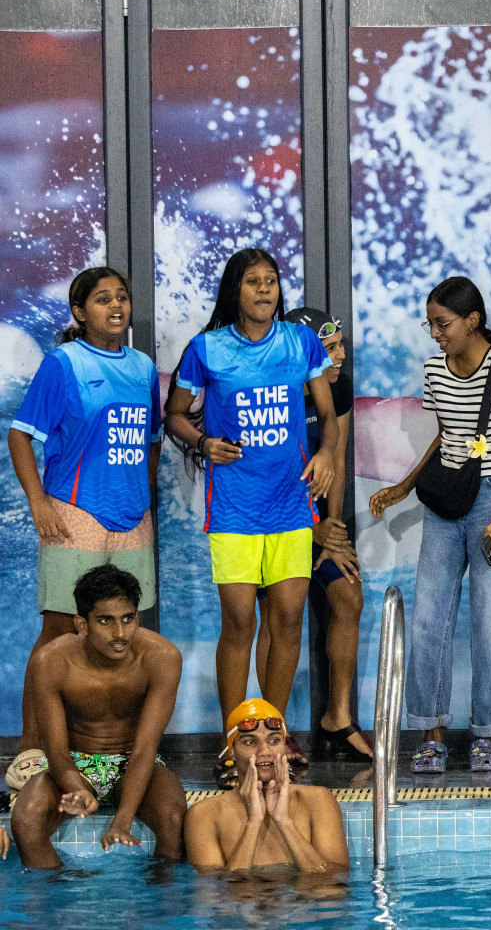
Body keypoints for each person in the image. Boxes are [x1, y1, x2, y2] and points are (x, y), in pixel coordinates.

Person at [163, 247, 339, 786]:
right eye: (253, 282)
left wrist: (327, 454)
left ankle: (274, 740)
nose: (265, 290)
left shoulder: (300, 342)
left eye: (272, 281)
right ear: (234, 291)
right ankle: (232, 743)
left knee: (287, 620)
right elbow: (174, 415)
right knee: (241, 623)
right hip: (235, 508)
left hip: (291, 503)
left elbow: (328, 415)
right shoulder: (207, 349)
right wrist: (204, 440)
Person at [369, 277, 491, 773]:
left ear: (473, 321)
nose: (435, 334)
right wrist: (402, 487)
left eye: (442, 324)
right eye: (431, 324)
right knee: (429, 618)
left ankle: (488, 733)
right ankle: (430, 731)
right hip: (448, 503)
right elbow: (447, 437)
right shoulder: (434, 370)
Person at [6, 268, 161, 791]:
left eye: (122, 297)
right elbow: (22, 435)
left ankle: (125, 752)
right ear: (79, 312)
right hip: (74, 511)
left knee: (130, 633)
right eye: (101, 299)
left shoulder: (142, 368)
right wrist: (38, 502)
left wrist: (145, 496)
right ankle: (32, 748)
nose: (115, 306)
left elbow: (153, 439)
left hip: (131, 518)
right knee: (58, 633)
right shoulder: (64, 363)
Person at [254, 308, 372, 763]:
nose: (340, 357)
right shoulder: (269, 387)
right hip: (271, 521)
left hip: (318, 522)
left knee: (349, 597)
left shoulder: (336, 386)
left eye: (341, 345)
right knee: (275, 614)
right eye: (329, 349)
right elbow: (263, 473)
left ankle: (337, 717)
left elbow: (335, 458)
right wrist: (311, 527)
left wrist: (333, 528)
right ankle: (271, 729)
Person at [10, 565, 185, 869]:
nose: (120, 634)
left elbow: (145, 749)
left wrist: (123, 820)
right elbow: (56, 751)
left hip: (135, 760)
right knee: (26, 818)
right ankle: (56, 898)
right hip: (75, 763)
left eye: (127, 619)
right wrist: (74, 787)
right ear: (82, 624)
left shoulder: (162, 657)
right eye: (106, 621)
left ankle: (160, 905)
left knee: (174, 819)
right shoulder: (51, 661)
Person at [185, 698, 348, 873]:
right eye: (249, 742)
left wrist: (285, 822)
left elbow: (334, 886)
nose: (264, 752)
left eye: (274, 741)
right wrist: (253, 824)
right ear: (231, 751)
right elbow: (218, 897)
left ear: (285, 747)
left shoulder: (318, 800)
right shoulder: (204, 815)